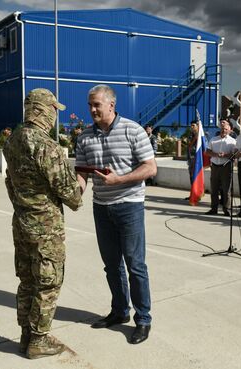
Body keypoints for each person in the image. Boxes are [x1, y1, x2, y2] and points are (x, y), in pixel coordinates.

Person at [3, 88, 82, 360]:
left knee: (27, 280)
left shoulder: (12, 141)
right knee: (48, 283)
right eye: (52, 110)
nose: (53, 117)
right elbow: (70, 194)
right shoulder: (45, 145)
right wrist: (80, 187)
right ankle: (39, 339)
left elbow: (9, 184)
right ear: (41, 110)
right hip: (46, 227)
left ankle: (26, 334)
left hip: (22, 221)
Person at [76, 84, 156, 345]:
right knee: (111, 265)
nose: (91, 109)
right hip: (101, 207)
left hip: (129, 205)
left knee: (135, 264)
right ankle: (120, 311)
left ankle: (143, 319)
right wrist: (77, 190)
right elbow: (82, 171)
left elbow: (150, 168)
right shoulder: (85, 135)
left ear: (111, 104)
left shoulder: (132, 130)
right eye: (89, 105)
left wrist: (120, 180)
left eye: (96, 104)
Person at [205, 119, 236, 216]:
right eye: (223, 129)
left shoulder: (233, 141)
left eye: (226, 129)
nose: (224, 131)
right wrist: (216, 154)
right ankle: (213, 208)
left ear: (230, 130)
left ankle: (227, 209)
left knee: (226, 190)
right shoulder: (213, 139)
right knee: (214, 189)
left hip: (226, 167)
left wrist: (225, 155)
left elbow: (234, 155)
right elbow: (207, 152)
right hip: (214, 166)